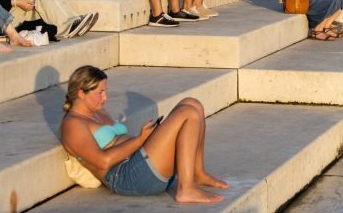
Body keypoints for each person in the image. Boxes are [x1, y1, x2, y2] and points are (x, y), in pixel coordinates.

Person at [60, 65, 228, 203]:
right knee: (187, 113)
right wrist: (141, 139)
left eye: (105, 91)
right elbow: (103, 161)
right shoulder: (73, 125)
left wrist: (146, 138)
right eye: (100, 92)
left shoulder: (97, 111)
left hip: (139, 161)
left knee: (192, 103)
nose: (105, 97)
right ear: (81, 93)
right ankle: (186, 189)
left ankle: (197, 173)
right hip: (127, 176)